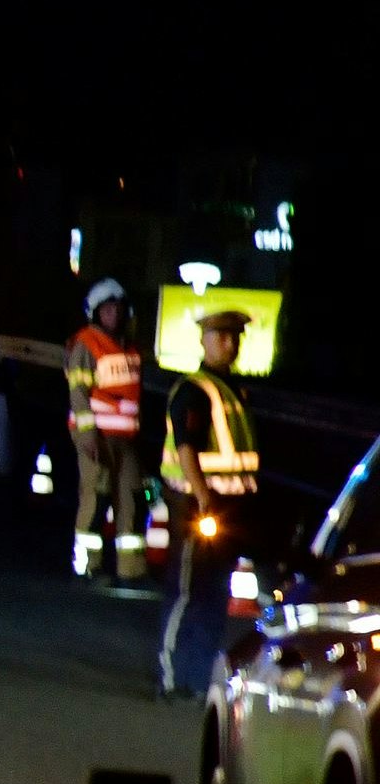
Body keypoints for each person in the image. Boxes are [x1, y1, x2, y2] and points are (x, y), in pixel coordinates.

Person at [157, 306, 262, 700]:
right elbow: (187, 449)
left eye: (235, 337)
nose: (229, 344)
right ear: (204, 341)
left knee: (215, 597)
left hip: (228, 508)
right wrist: (203, 496)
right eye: (222, 336)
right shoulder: (195, 390)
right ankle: (171, 676)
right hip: (196, 505)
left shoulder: (234, 390)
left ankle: (199, 677)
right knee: (187, 593)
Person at [65, 279, 150, 585]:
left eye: (118, 308)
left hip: (127, 440)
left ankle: (131, 570)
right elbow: (78, 393)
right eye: (108, 309)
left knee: (132, 499)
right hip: (96, 436)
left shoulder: (130, 348)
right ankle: (88, 566)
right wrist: (87, 433)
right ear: (96, 313)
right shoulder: (87, 344)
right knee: (96, 499)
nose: (114, 314)